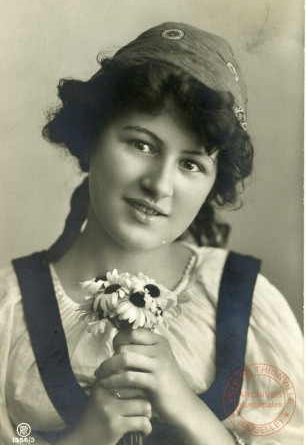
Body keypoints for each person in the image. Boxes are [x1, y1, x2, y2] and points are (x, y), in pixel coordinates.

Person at [0, 22, 303, 445]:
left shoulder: (244, 302)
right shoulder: (9, 310)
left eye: (191, 164)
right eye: (142, 145)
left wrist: (189, 411)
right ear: (92, 138)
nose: (160, 185)